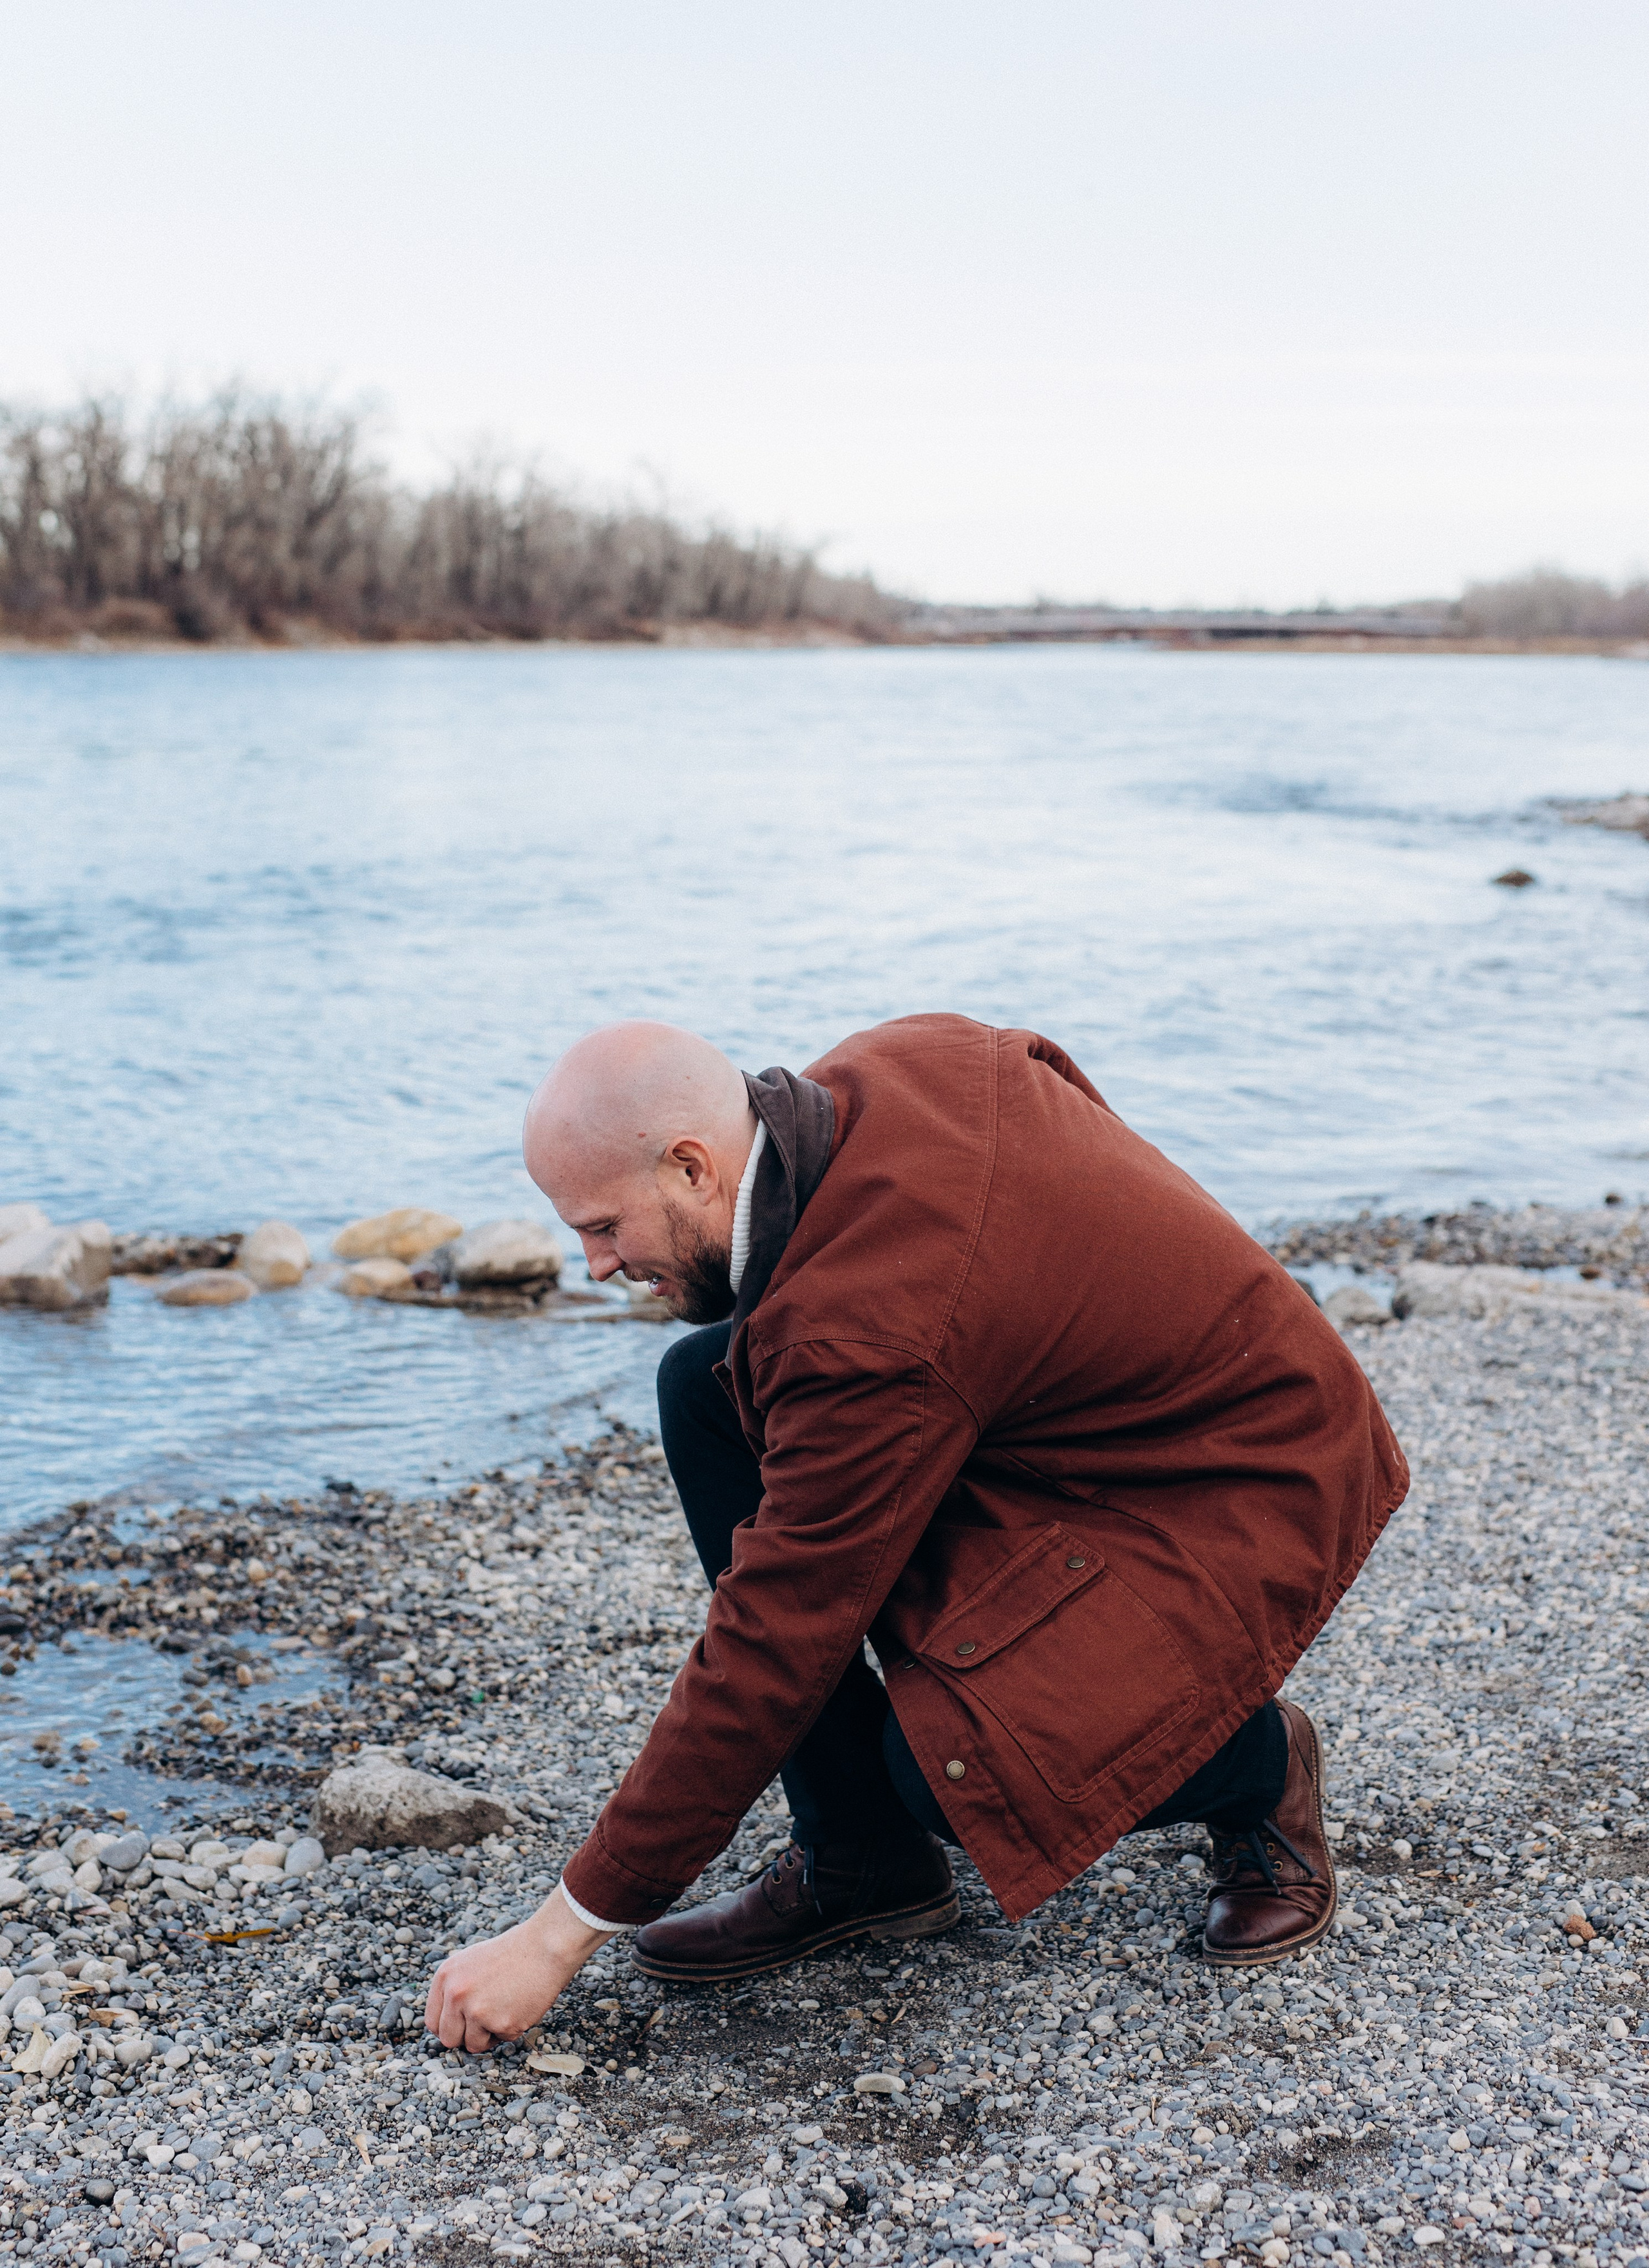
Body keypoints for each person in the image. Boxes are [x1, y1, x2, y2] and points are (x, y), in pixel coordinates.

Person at [424, 1015, 1407, 2053]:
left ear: (691, 1166)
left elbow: (774, 1639)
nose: (592, 1266)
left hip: (1242, 1477)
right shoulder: (901, 1065)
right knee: (704, 1387)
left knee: (952, 1761)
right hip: (1087, 1438)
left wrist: (557, 1936)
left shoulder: (869, 1327)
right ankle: (861, 1859)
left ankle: (1262, 1765)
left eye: (603, 1226)